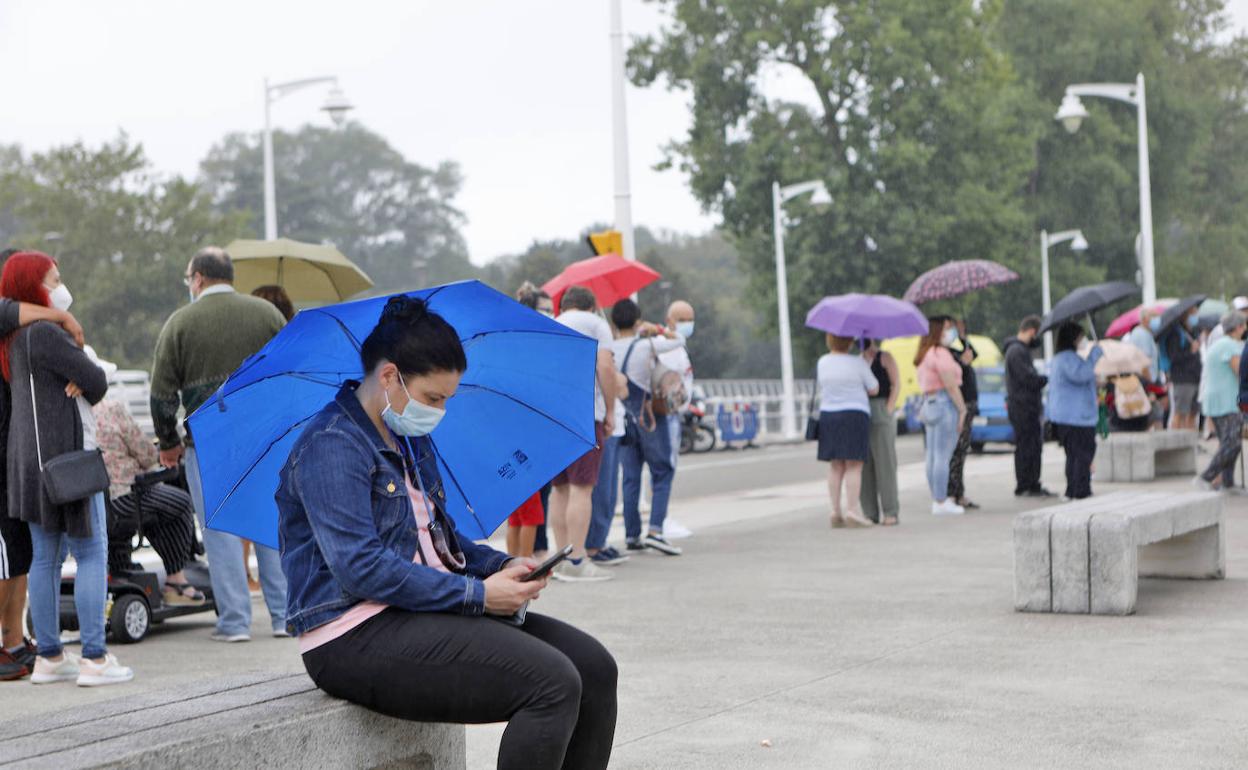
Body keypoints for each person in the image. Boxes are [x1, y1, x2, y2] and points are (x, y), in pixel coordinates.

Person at [277, 295, 617, 770]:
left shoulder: (408, 439)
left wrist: (501, 567)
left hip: (421, 611)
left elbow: (442, 540)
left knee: (595, 668)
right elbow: (361, 568)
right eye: (433, 398)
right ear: (391, 376)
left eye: (446, 400)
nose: (439, 411)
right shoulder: (331, 445)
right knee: (553, 683)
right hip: (352, 634)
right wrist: (478, 596)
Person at [1, 251, 133, 686]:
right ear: (34, 287)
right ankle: (95, 657)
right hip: (67, 461)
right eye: (54, 278)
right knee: (91, 552)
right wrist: (87, 372)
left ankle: (51, 656)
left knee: (44, 558)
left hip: (29, 464)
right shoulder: (47, 333)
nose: (61, 286)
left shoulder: (16, 341)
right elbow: (94, 382)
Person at [151, 247, 289, 641]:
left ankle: (234, 622)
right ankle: (284, 617)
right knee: (270, 520)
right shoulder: (267, 315)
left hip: (208, 441)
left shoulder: (180, 323)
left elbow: (161, 394)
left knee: (220, 528)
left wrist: (168, 440)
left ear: (197, 278)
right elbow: (288, 372)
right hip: (264, 437)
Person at [0, 252, 87, 682]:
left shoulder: (26, 336)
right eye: (52, 279)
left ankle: (14, 642)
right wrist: (63, 319)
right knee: (8, 557)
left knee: (20, 554)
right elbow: (6, 308)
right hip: (8, 457)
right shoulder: (14, 323)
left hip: (12, 458)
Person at [94, 398, 204, 605]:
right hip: (124, 495)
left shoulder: (74, 412)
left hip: (96, 501)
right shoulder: (111, 408)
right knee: (180, 504)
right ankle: (175, 579)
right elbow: (144, 452)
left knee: (152, 505)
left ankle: (120, 566)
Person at [548, 286, 617, 582]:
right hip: (584, 414)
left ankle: (561, 558)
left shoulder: (550, 325)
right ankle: (578, 559)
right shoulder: (596, 324)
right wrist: (611, 409)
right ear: (591, 306)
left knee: (560, 488)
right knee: (582, 488)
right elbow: (605, 366)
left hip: (552, 415)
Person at [611, 299, 686, 555]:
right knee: (662, 471)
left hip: (623, 420)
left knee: (630, 479)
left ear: (613, 322)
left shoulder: (607, 348)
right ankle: (655, 530)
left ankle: (632, 535)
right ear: (636, 321)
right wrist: (657, 329)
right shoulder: (645, 345)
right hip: (650, 419)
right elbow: (679, 341)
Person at [247, 284, 297, 591]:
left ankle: (246, 580)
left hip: (256, 432)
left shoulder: (251, 348)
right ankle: (282, 592)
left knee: (250, 511)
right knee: (278, 511)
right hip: (285, 433)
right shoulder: (293, 340)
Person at [816, 334, 879, 528]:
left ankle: (835, 510)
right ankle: (852, 510)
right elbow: (874, 388)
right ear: (850, 342)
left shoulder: (823, 362)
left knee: (836, 466)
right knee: (854, 465)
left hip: (828, 415)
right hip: (854, 414)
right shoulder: (857, 363)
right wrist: (866, 363)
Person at [515, 282, 555, 557]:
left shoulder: (516, 340)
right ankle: (525, 564)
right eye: (546, 310)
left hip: (518, 433)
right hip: (527, 435)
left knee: (519, 512)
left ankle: (514, 562)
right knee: (531, 512)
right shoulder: (531, 345)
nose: (551, 314)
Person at [1046, 323, 1104, 500]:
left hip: (1070, 417)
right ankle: (1080, 491)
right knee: (1082, 455)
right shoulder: (1067, 358)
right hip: (1076, 418)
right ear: (1072, 338)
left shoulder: (1063, 358)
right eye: (1080, 336)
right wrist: (1095, 354)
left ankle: (1073, 489)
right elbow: (1081, 375)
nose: (1083, 340)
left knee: (1074, 456)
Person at [916, 318, 968, 515]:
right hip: (944, 403)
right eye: (947, 328)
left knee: (932, 455)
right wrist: (962, 409)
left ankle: (936, 497)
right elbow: (951, 385)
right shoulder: (941, 354)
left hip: (930, 403)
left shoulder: (925, 354)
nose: (951, 331)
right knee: (942, 456)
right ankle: (940, 500)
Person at [1195, 312, 1246, 491]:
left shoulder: (1222, 344)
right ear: (1239, 327)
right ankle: (1207, 477)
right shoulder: (1229, 346)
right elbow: (1240, 371)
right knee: (1232, 443)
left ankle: (1228, 481)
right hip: (1227, 401)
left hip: (1220, 400)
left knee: (1230, 442)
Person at [658, 300, 696, 540]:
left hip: (676, 415)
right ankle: (661, 520)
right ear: (670, 320)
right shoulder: (667, 346)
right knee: (665, 467)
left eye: (690, 319)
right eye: (683, 319)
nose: (688, 324)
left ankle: (661, 517)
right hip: (668, 415)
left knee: (669, 466)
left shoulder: (678, 346)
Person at [1003, 316, 1052, 497]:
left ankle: (1032, 483)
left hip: (1026, 406)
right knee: (1026, 446)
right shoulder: (1016, 351)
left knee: (1033, 446)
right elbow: (1027, 379)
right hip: (1023, 407)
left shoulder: (1020, 350)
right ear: (1032, 331)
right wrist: (1044, 379)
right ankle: (1025, 484)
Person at [587, 372, 629, 565]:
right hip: (602, 423)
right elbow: (618, 382)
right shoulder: (604, 349)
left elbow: (623, 388)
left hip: (614, 426)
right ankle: (593, 545)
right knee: (601, 491)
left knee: (610, 492)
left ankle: (600, 541)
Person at [860, 339, 900, 526]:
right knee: (864, 465)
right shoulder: (857, 361)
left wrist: (889, 408)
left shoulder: (884, 358)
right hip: (861, 411)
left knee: (885, 463)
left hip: (881, 408)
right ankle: (869, 511)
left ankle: (890, 510)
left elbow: (896, 384)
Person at [946, 319, 980, 510]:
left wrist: (963, 338)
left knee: (962, 452)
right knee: (956, 452)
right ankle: (953, 492)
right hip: (961, 405)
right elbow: (958, 372)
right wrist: (962, 363)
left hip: (969, 404)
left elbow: (972, 354)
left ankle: (959, 492)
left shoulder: (956, 352)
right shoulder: (946, 354)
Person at [1164, 306, 1202, 431]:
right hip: (1182, 379)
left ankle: (1191, 442)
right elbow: (1174, 357)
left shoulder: (1192, 332)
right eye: (1193, 314)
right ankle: (1175, 440)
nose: (1195, 317)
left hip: (1195, 376)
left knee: (1193, 412)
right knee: (1180, 412)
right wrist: (1190, 351)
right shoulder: (1175, 334)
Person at [1127, 308, 1165, 429]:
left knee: (1156, 408)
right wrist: (1150, 384)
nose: (1156, 320)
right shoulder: (1141, 335)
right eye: (1153, 317)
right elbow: (1144, 362)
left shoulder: (1146, 334)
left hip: (1149, 377)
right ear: (1144, 319)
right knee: (1154, 411)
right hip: (1146, 379)